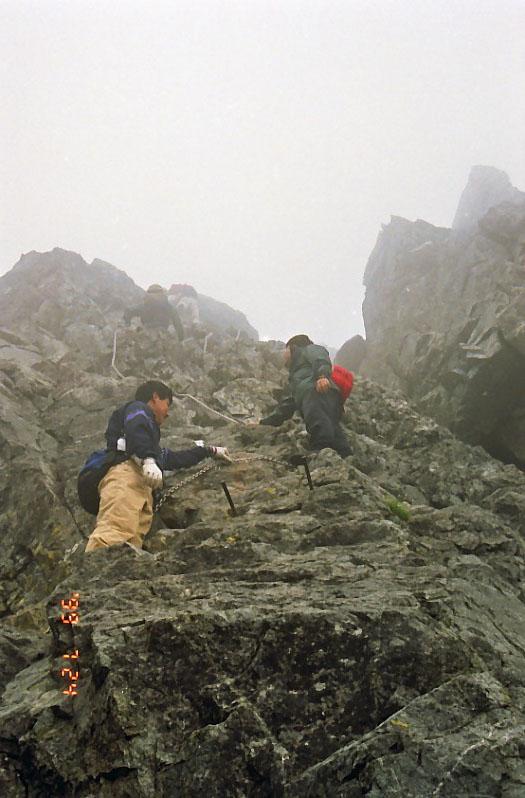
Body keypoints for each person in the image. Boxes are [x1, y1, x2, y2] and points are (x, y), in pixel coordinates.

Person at [85, 380, 231, 552]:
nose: (168, 413)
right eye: (167, 404)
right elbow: (137, 428)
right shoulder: (138, 409)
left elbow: (172, 458)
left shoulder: (149, 444)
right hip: (124, 473)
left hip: (140, 485)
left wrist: (209, 451)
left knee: (130, 543)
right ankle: (96, 563)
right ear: (155, 397)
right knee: (114, 532)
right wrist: (148, 459)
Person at [258, 334, 351, 458]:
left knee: (317, 418)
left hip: (317, 391)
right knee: (332, 426)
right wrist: (264, 423)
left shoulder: (308, 349)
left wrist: (322, 376)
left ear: (293, 347)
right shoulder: (296, 376)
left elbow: (320, 358)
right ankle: (345, 454)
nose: (283, 354)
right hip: (324, 395)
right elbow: (287, 405)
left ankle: (320, 449)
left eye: (285, 349)